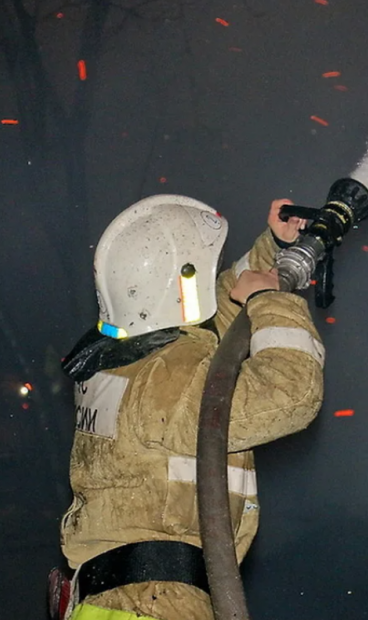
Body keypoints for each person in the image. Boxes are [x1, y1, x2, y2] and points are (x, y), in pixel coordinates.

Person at [57, 195, 324, 620]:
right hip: (157, 605)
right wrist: (273, 299)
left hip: (124, 602)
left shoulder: (120, 356)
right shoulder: (167, 381)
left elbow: (204, 313)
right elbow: (290, 392)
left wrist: (272, 248)